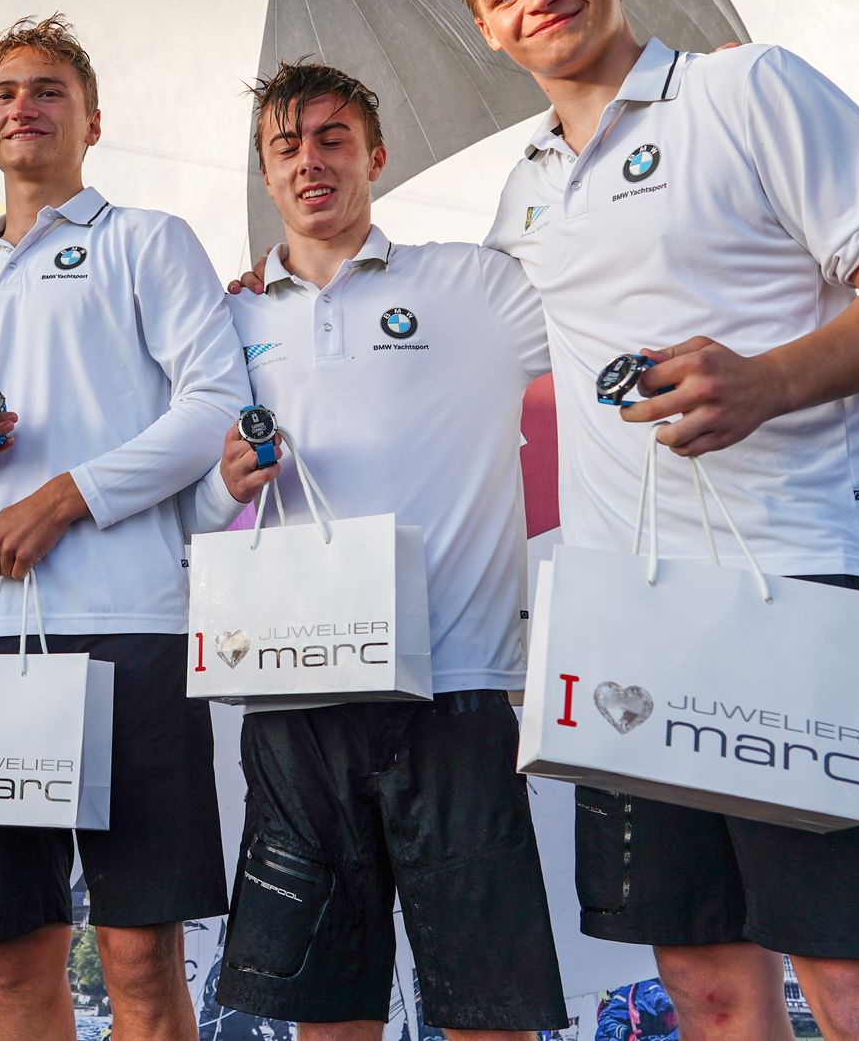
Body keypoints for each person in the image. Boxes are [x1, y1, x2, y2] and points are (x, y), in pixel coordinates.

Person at [453, 0, 859, 1040]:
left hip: (789, 587)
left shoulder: (746, 88)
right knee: (704, 983)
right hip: (626, 623)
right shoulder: (522, 187)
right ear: (486, 28)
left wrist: (768, 380)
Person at [195, 62, 568, 1041]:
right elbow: (182, 500)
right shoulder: (224, 321)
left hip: (456, 688)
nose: (309, 161)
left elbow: (604, 317)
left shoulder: (473, 285)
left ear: (376, 155)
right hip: (297, 696)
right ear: (265, 172)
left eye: (332, 138)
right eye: (286, 145)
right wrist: (223, 482)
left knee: (491, 1017)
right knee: (327, 1018)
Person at [0, 14, 250, 1040]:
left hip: (132, 626)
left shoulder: (147, 240)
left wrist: (67, 496)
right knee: (11, 961)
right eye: (4, 92)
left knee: (140, 957)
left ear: (91, 121)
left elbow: (215, 403)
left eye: (48, 89)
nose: (23, 105)